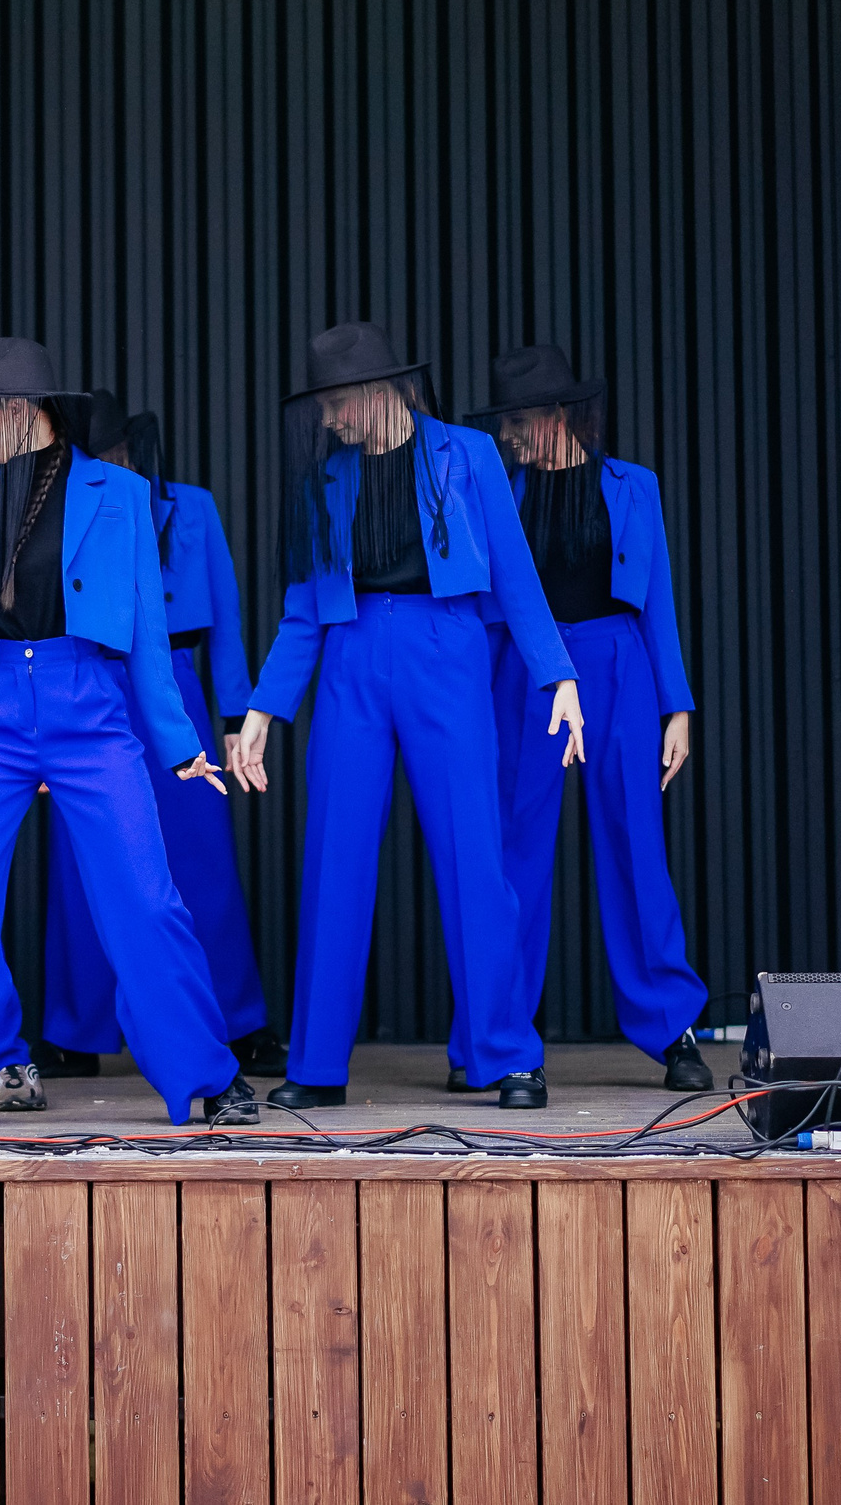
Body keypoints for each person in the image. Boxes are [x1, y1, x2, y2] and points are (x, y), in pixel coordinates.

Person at [0, 337, 257, 1125]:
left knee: (144, 899)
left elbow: (149, 633)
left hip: (89, 710)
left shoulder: (116, 492)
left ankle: (204, 1072)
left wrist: (181, 742)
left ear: (24, 411)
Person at [230, 321, 582, 1110]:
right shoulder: (329, 481)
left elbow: (517, 575)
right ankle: (317, 1065)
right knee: (334, 857)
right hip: (352, 657)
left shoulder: (469, 454)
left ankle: (507, 1053)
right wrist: (263, 710)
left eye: (335, 403)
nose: (328, 420)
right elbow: (301, 613)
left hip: (445, 649)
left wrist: (556, 674)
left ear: (378, 390)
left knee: (474, 856)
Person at [476, 345, 712, 1093]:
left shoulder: (633, 488)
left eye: (519, 420)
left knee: (637, 843)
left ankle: (673, 1027)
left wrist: (678, 705)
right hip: (529, 673)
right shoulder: (502, 492)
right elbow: (487, 612)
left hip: (619, 664)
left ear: (559, 415)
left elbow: (659, 604)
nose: (510, 435)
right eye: (505, 421)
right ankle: (497, 1033)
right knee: (515, 850)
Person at [37, 393, 283, 1078]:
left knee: (200, 854)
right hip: (86, 680)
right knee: (81, 858)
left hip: (171, 680)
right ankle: (76, 1030)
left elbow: (226, 616)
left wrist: (236, 716)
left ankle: (236, 1021)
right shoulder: (64, 503)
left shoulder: (191, 508)